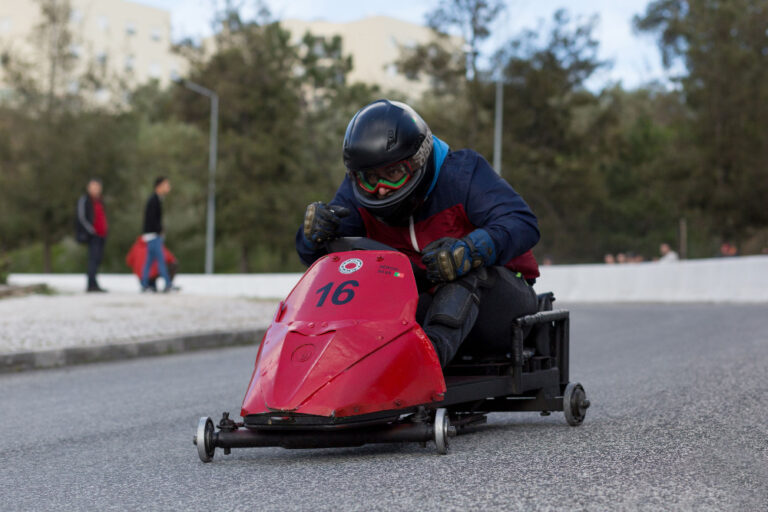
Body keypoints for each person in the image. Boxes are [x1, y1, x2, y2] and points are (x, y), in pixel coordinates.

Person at [295, 99, 540, 367]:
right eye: (371, 178)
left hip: (499, 311)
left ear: (418, 159)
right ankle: (318, 364)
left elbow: (522, 222)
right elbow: (330, 261)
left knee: (469, 271)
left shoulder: (462, 173)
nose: (382, 188)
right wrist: (313, 236)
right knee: (353, 272)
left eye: (394, 173)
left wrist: (470, 250)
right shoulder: (358, 192)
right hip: (423, 310)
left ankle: (423, 364)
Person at [140, 177, 178, 293]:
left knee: (149, 261)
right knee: (161, 260)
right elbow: (151, 219)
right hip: (153, 235)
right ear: (159, 186)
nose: (168, 188)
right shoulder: (154, 200)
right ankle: (168, 284)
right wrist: (159, 230)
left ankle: (145, 284)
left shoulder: (157, 199)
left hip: (151, 234)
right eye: (166, 185)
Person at [76, 178, 108, 292]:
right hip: (92, 235)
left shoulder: (100, 200)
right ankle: (91, 285)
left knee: (97, 259)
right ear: (88, 188)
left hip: (101, 235)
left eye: (97, 187)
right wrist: (91, 230)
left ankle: (94, 283)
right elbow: (81, 217)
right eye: (93, 187)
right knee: (93, 259)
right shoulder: (84, 200)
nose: (96, 189)